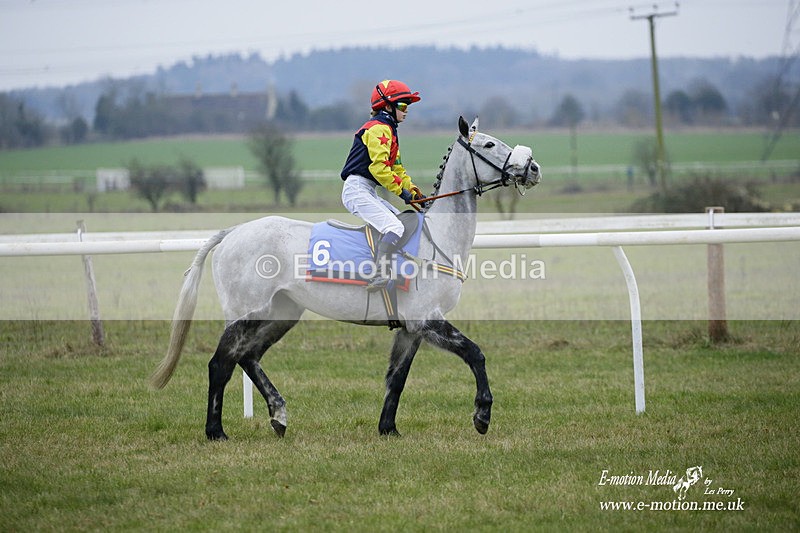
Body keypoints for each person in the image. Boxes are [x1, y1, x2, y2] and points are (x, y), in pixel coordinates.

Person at [340, 79, 427, 290]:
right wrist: (402, 192)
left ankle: (392, 269)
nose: (406, 111)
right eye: (403, 106)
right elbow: (378, 169)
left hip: (366, 189)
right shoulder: (379, 129)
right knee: (394, 226)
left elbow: (397, 169)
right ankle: (378, 274)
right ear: (387, 106)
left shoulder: (389, 130)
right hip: (357, 189)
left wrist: (414, 192)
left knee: (400, 222)